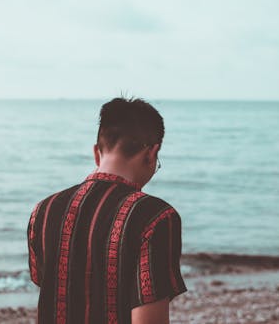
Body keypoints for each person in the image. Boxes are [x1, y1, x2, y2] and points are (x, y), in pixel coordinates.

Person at [27, 97, 187, 324]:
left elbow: (47, 288)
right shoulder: (156, 217)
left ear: (96, 152)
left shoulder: (43, 211)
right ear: (152, 153)